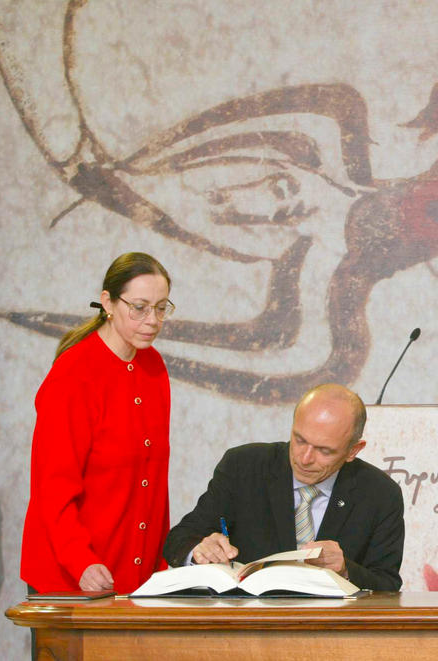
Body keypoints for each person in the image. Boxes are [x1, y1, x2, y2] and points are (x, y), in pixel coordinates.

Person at [21, 252, 175, 594]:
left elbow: (153, 482)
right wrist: (81, 561)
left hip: (133, 578)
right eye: (139, 307)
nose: (152, 320)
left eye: (161, 307)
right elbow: (53, 487)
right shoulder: (73, 374)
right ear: (108, 301)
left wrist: (158, 565)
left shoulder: (153, 367)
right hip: (74, 576)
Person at [163, 383, 404, 591]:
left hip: (331, 632)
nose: (305, 458)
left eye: (324, 450)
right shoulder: (243, 467)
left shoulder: (380, 494)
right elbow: (179, 539)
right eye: (299, 440)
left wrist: (345, 570)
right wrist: (199, 550)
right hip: (247, 625)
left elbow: (387, 583)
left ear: (353, 450)